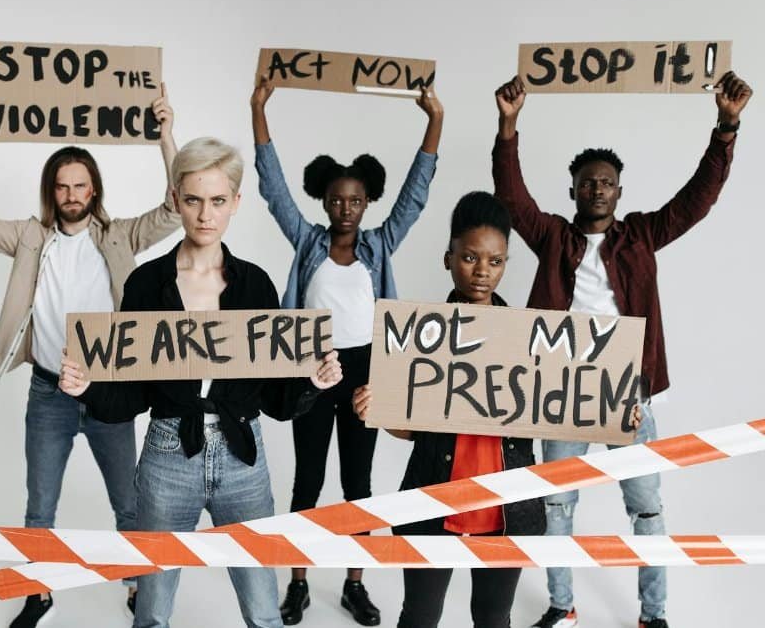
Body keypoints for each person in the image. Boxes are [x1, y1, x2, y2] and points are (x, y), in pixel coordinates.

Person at [492, 71, 753, 628]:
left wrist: (725, 128)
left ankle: (652, 614)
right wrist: (508, 128)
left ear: (618, 190)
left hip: (627, 389)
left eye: (605, 182)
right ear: (574, 191)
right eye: (587, 183)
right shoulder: (553, 237)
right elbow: (513, 200)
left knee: (647, 507)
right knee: (557, 505)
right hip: (562, 389)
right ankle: (562, 605)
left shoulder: (640, 235)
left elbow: (695, 202)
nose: (596, 190)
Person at [59, 137, 344, 628]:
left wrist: (312, 382)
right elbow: (130, 393)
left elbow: (276, 399)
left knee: (263, 612)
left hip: (243, 460)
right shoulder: (147, 284)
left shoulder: (255, 285)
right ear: (175, 200)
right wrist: (86, 387)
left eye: (216, 201)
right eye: (193, 200)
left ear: (236, 202)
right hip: (169, 454)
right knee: (150, 613)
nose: (205, 215)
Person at [0, 88, 182, 628]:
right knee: (39, 508)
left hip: (108, 393)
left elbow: (175, 208)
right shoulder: (30, 237)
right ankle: (38, 592)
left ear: (94, 188)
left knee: (130, 505)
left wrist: (165, 135)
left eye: (80, 184)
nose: (71, 193)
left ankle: (140, 588)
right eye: (62, 185)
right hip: (48, 392)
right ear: (53, 190)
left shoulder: (119, 236)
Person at [353, 192, 645, 628]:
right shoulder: (420, 335)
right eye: (470, 258)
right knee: (419, 617)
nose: (482, 272)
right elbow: (412, 429)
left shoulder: (529, 336)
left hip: (507, 511)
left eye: (495, 261)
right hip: (434, 501)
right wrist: (375, 409)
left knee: (493, 618)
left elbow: (560, 406)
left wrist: (610, 409)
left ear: (506, 263)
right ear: (448, 258)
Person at [250, 75, 443, 626]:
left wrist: (434, 119)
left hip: (364, 373)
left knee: (358, 484)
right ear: (325, 200)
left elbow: (416, 196)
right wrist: (259, 108)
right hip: (313, 368)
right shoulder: (307, 240)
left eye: (356, 200)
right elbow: (272, 189)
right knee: (307, 480)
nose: (346, 208)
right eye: (337, 199)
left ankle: (356, 583)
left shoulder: (379, 245)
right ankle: (299, 582)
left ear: (367, 202)